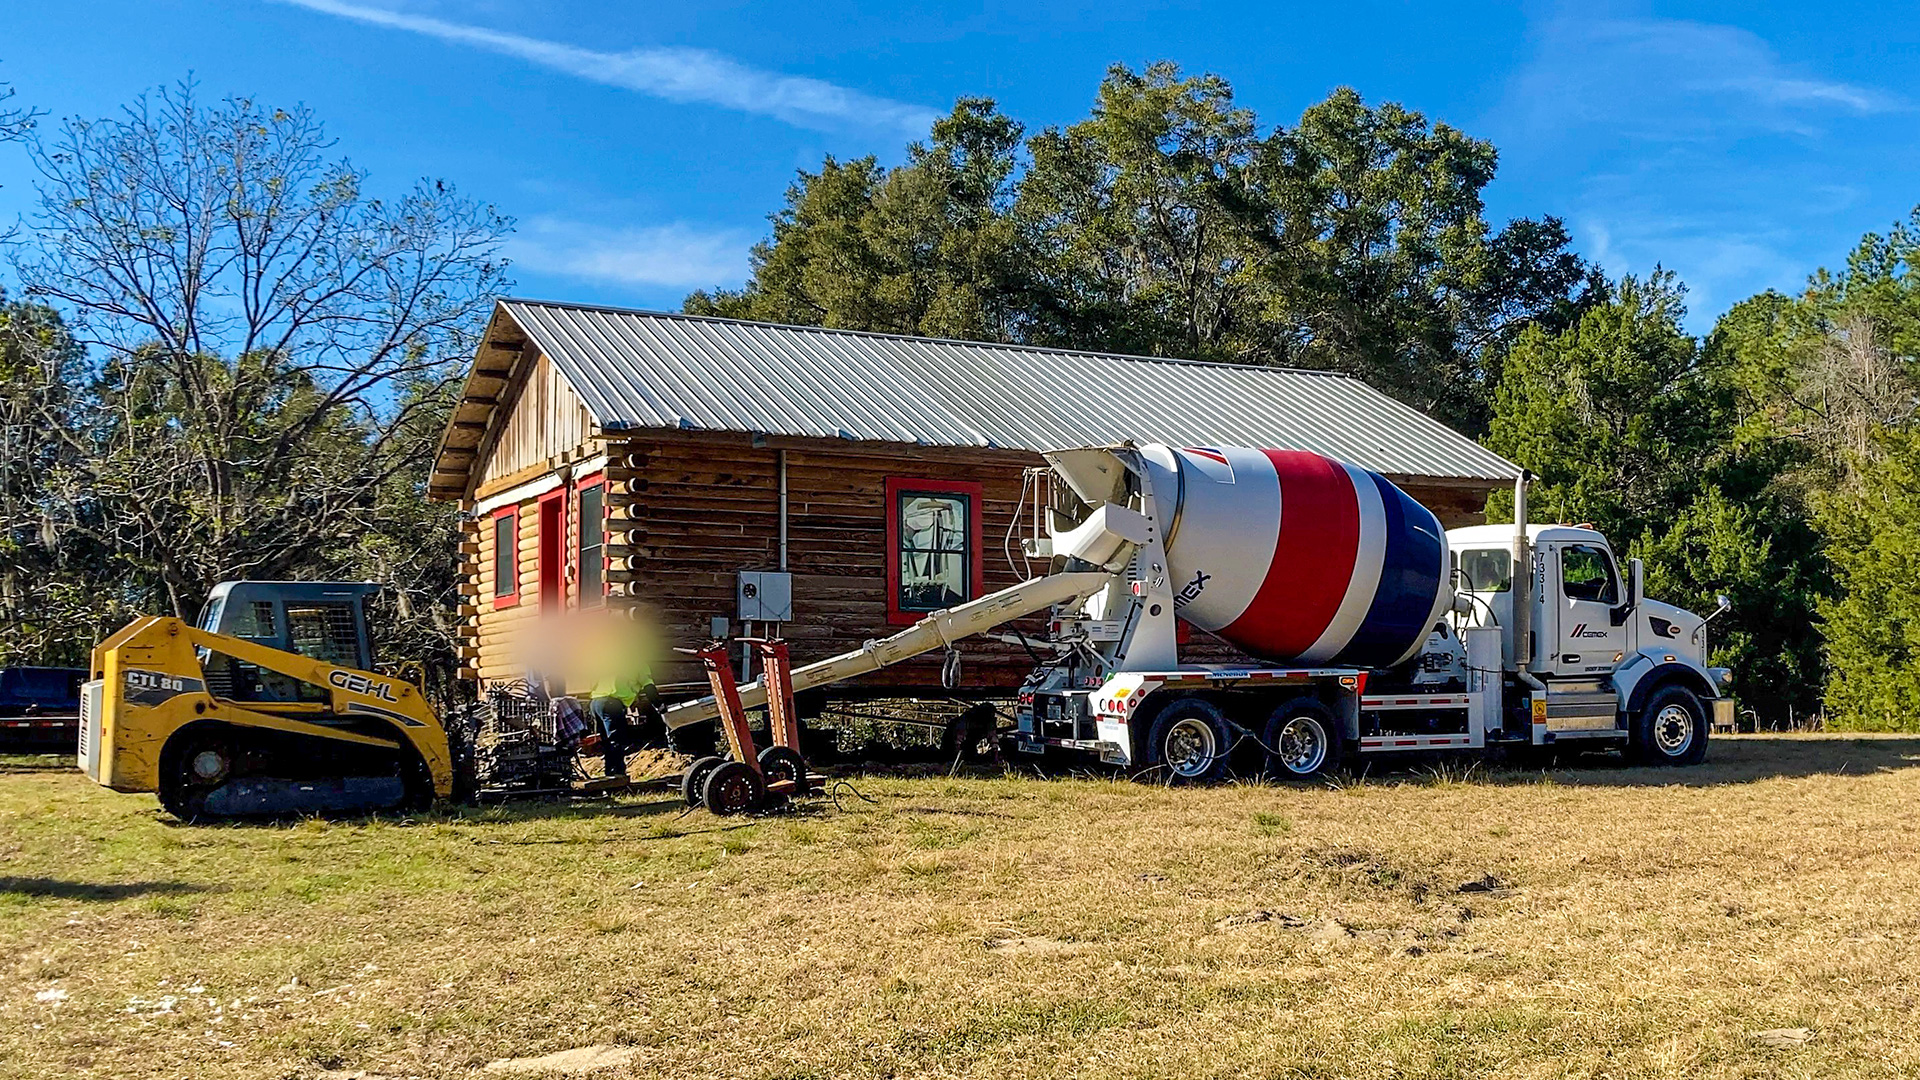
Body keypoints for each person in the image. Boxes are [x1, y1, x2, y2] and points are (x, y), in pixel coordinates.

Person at [589, 661, 658, 781]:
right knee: (616, 740)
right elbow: (649, 687)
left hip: (596, 701)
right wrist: (659, 705)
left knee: (607, 741)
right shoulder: (640, 665)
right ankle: (618, 775)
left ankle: (609, 773)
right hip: (611, 703)